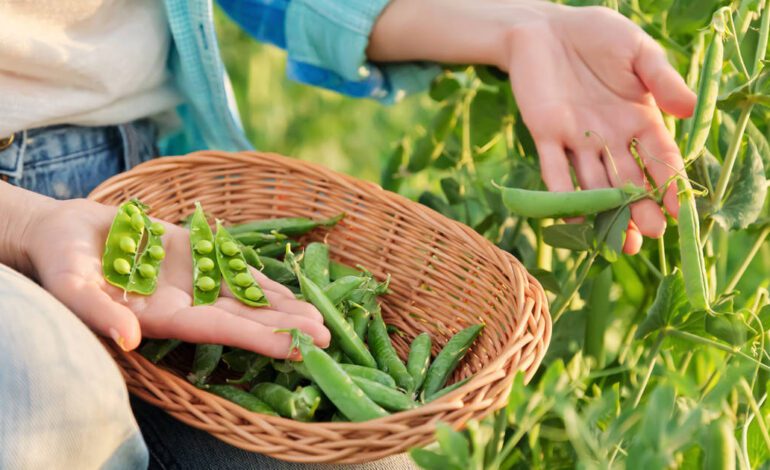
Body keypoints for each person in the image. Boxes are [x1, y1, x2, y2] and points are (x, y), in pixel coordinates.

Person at [0, 0, 696, 468]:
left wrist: (517, 24)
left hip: (147, 191)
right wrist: (26, 220)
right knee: (51, 401)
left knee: (360, 456)